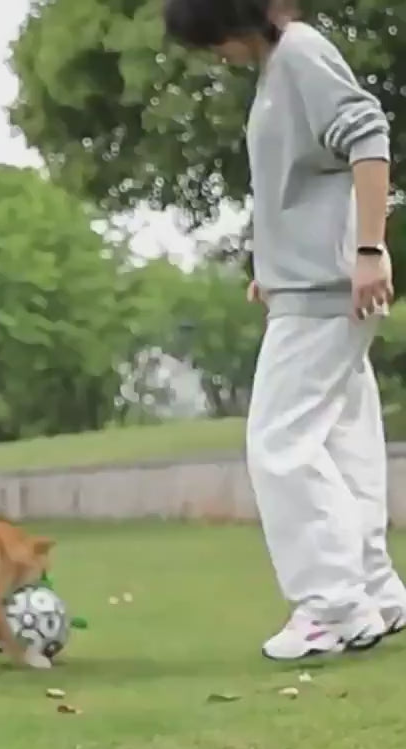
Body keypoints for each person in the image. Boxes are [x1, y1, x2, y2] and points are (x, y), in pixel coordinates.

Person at [163, 0, 406, 659]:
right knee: (342, 441)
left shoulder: (300, 54)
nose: (217, 53)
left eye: (215, 37)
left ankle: (332, 606)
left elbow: (368, 136)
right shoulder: (282, 66)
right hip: (307, 285)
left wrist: (369, 251)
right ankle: (376, 594)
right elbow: (300, 185)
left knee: (280, 444)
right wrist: (272, 265)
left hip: (325, 292)